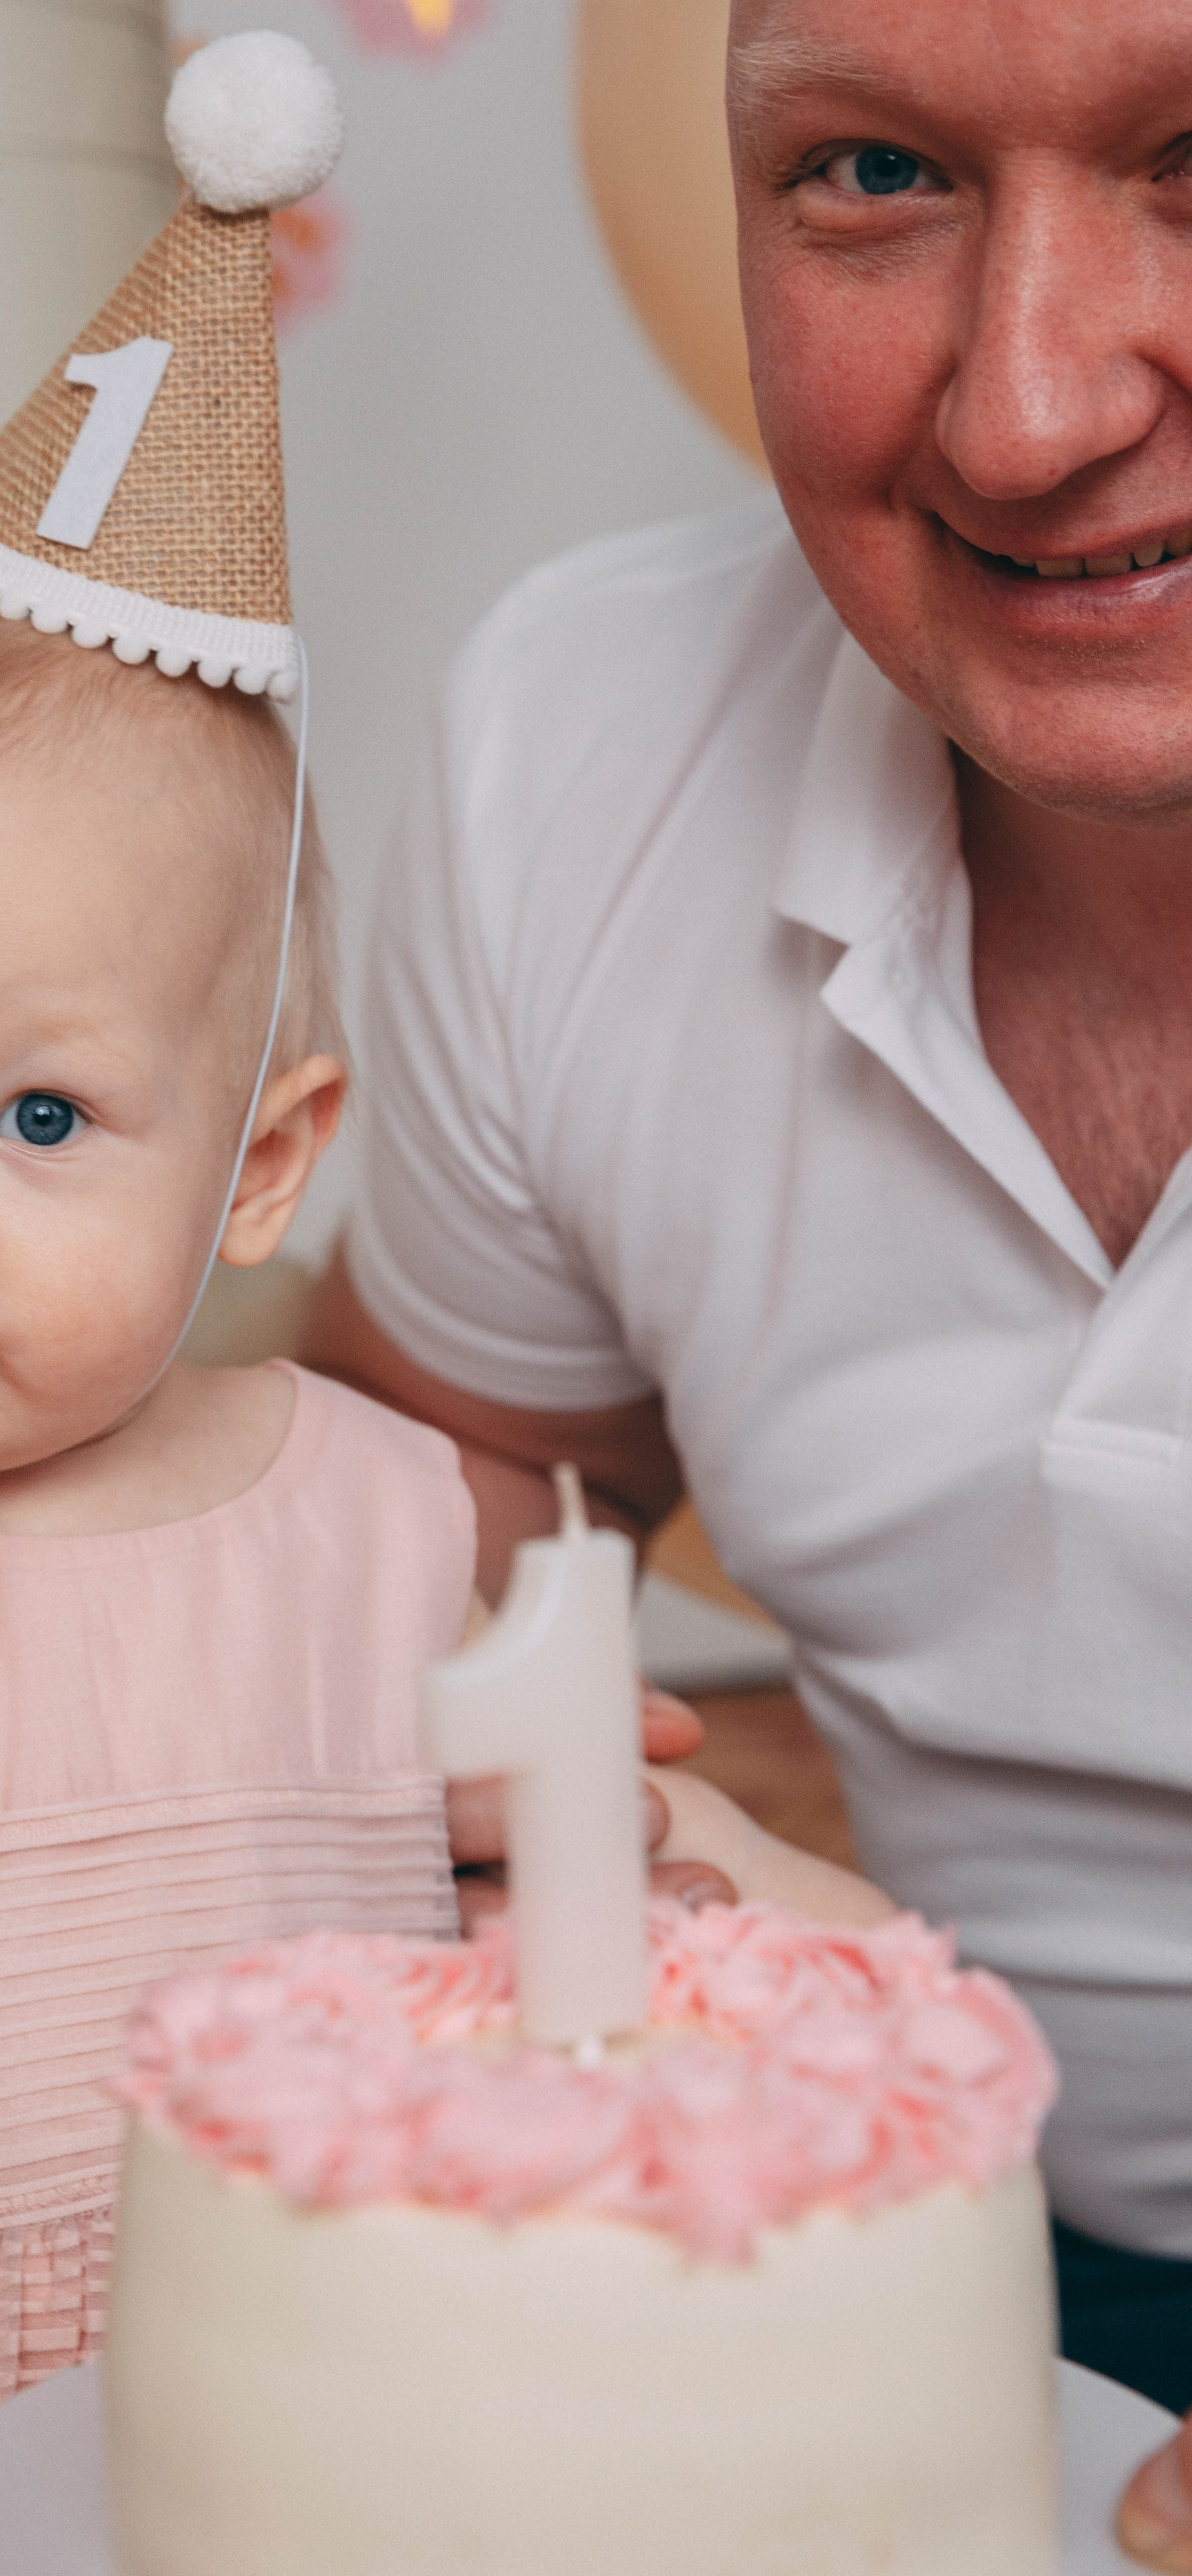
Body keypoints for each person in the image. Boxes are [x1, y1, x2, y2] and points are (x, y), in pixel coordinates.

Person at [0, 38, 873, 2570]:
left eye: (33, 1124)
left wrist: (563, 1822)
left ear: (267, 1164)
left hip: (288, 2406)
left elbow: (445, 1888)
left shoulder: (359, 1506)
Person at [301, 0, 1192, 2563]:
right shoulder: (573, 751)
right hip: (930, 2248)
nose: (1020, 411)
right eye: (876, 172)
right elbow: (455, 1461)